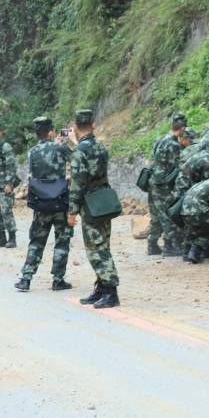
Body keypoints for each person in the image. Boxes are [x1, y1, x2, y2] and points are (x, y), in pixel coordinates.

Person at [68, 109, 120, 309]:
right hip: (103, 199)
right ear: (94, 124)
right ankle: (100, 288)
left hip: (89, 204)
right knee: (102, 244)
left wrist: (72, 211)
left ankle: (110, 290)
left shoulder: (80, 151)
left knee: (96, 249)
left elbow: (77, 183)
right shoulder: (100, 146)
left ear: (74, 126)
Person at [14, 117, 73, 292]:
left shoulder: (32, 152)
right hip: (60, 201)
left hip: (41, 201)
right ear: (51, 131)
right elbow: (77, 157)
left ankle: (26, 278)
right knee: (62, 241)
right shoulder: (60, 147)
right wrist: (66, 141)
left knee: (36, 241)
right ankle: (58, 279)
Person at [147, 113, 187, 256]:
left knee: (156, 214)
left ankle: (152, 245)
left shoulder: (160, 139)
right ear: (182, 128)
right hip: (162, 183)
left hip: (152, 180)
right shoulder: (174, 144)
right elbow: (175, 166)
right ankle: (170, 246)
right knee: (166, 213)